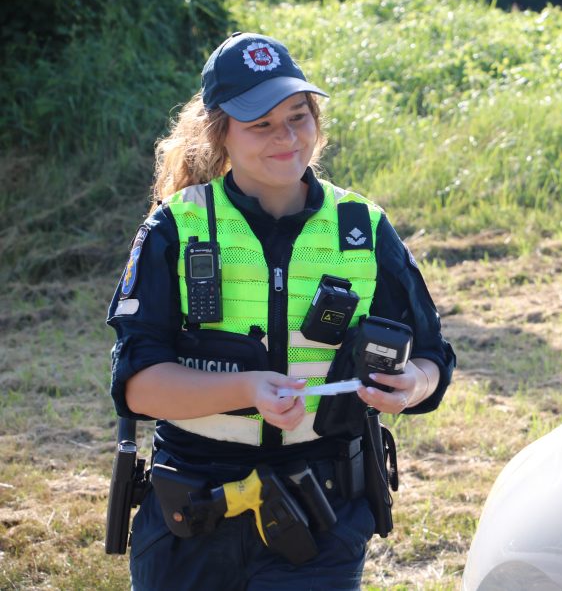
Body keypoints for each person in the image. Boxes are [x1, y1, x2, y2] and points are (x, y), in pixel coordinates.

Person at [107, 32, 456, 590]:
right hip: (191, 516)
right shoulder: (174, 227)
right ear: (220, 133)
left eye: (298, 116)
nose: (286, 138)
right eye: (260, 124)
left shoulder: (361, 226)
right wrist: (249, 389)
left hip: (322, 518)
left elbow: (434, 355)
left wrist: (411, 384)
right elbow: (138, 387)